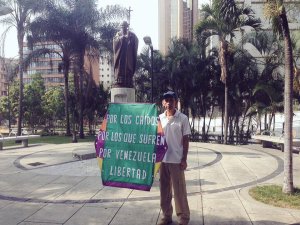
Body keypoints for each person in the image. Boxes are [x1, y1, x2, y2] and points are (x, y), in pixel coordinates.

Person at [158, 90, 191, 225]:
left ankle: (183, 218)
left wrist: (184, 159)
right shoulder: (159, 118)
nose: (169, 103)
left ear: (175, 102)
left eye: (171, 100)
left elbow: (186, 139)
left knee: (179, 191)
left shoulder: (182, 118)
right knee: (164, 191)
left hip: (176, 160)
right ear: (163, 103)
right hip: (163, 160)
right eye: (166, 100)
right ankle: (167, 216)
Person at [113, 21, 138, 88]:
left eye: (125, 26)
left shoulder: (132, 35)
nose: (124, 27)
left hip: (129, 56)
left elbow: (136, 41)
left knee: (128, 67)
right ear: (120, 27)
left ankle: (129, 80)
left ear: (127, 27)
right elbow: (115, 43)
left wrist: (131, 38)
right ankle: (119, 80)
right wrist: (123, 38)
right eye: (122, 26)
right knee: (120, 69)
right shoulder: (118, 34)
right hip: (120, 57)